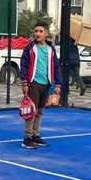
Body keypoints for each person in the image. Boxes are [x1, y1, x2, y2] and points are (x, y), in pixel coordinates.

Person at [20, 21, 61, 149]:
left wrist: (58, 83)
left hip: (46, 84)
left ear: (46, 33)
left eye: (41, 31)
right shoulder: (30, 48)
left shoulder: (50, 49)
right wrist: (24, 82)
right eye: (36, 31)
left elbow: (56, 67)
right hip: (34, 84)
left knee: (40, 111)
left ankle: (35, 136)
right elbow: (24, 65)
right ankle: (27, 138)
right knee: (31, 111)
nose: (38, 34)